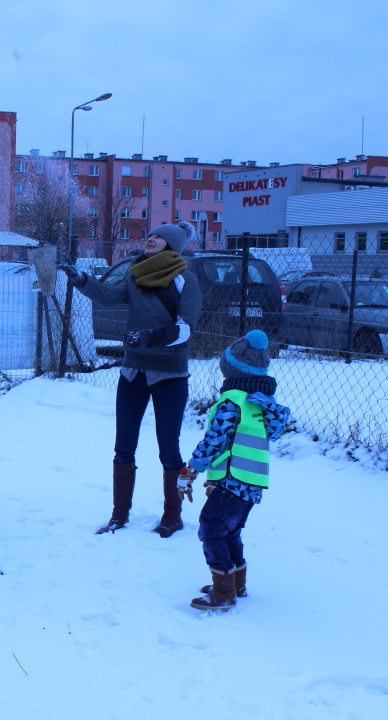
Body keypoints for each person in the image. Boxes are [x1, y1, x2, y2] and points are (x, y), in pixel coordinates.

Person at [58, 221, 203, 537]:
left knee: (169, 450)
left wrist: (148, 337)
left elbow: (185, 329)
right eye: (149, 234)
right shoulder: (136, 275)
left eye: (159, 236)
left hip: (169, 373)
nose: (150, 238)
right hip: (133, 371)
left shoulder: (185, 279)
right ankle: (118, 515)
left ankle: (173, 516)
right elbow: (108, 296)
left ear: (172, 245)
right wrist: (82, 279)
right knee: (123, 447)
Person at [185, 330, 290, 612]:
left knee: (210, 528)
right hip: (251, 483)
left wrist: (192, 468)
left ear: (230, 369)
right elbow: (264, 435)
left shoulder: (232, 401)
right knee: (229, 531)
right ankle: (235, 584)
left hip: (233, 481)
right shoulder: (260, 402)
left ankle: (223, 592)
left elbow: (215, 441)